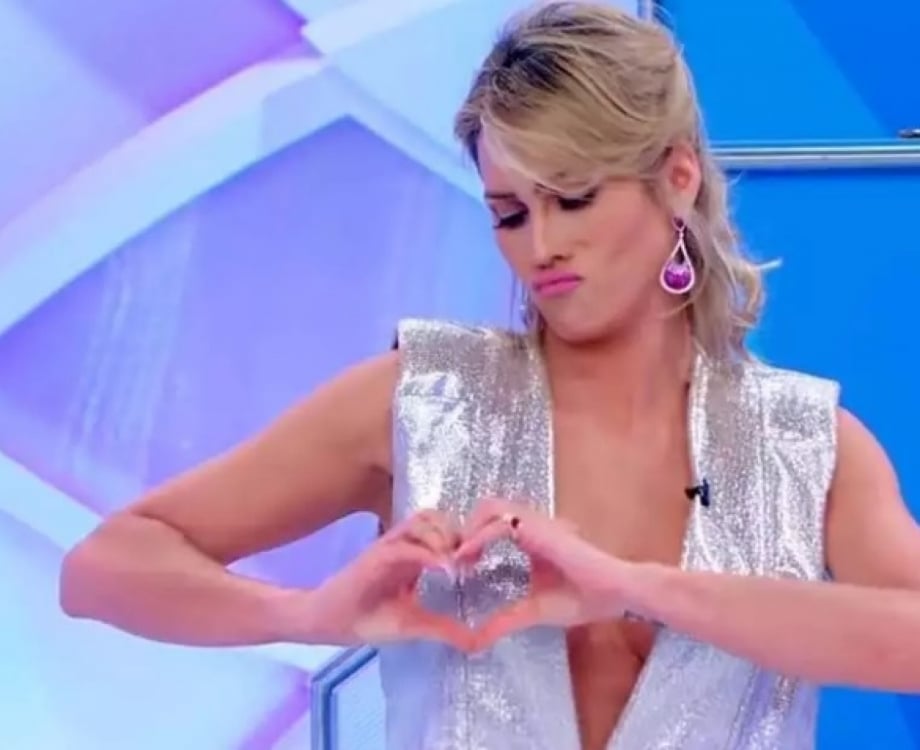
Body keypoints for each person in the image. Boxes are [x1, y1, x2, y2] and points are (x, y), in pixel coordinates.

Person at [59, 2, 920, 749]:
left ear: (678, 180)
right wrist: (306, 613)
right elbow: (103, 567)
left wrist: (637, 586)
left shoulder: (805, 443)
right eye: (510, 214)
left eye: (573, 199)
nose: (541, 247)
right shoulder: (423, 401)